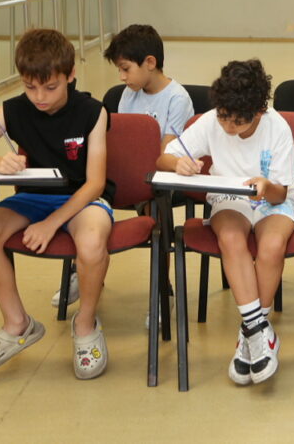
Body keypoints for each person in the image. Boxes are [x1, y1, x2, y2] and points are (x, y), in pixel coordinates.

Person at [0, 28, 114, 379]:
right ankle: (18, 323)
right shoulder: (12, 110)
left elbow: (95, 183)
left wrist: (51, 223)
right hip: (32, 197)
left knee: (91, 243)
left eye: (50, 87)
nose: (39, 97)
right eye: (30, 87)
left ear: (70, 75)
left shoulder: (92, 112)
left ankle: (85, 324)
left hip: (82, 199)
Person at [157, 59, 294, 386]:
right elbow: (163, 157)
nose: (228, 126)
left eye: (238, 121)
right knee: (231, 238)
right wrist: (178, 163)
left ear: (259, 111)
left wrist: (265, 185)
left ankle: (249, 333)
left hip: (271, 198)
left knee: (272, 244)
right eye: (223, 116)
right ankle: (259, 333)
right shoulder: (211, 121)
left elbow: (280, 193)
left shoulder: (277, 127)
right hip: (229, 198)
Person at [54, 23, 194, 309]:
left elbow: (166, 153)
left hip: (159, 177)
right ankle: (84, 270)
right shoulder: (128, 93)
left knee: (155, 209)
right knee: (83, 197)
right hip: (125, 174)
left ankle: (162, 290)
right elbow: (119, 143)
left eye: (126, 69)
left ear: (150, 63)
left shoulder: (177, 99)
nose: (121, 77)